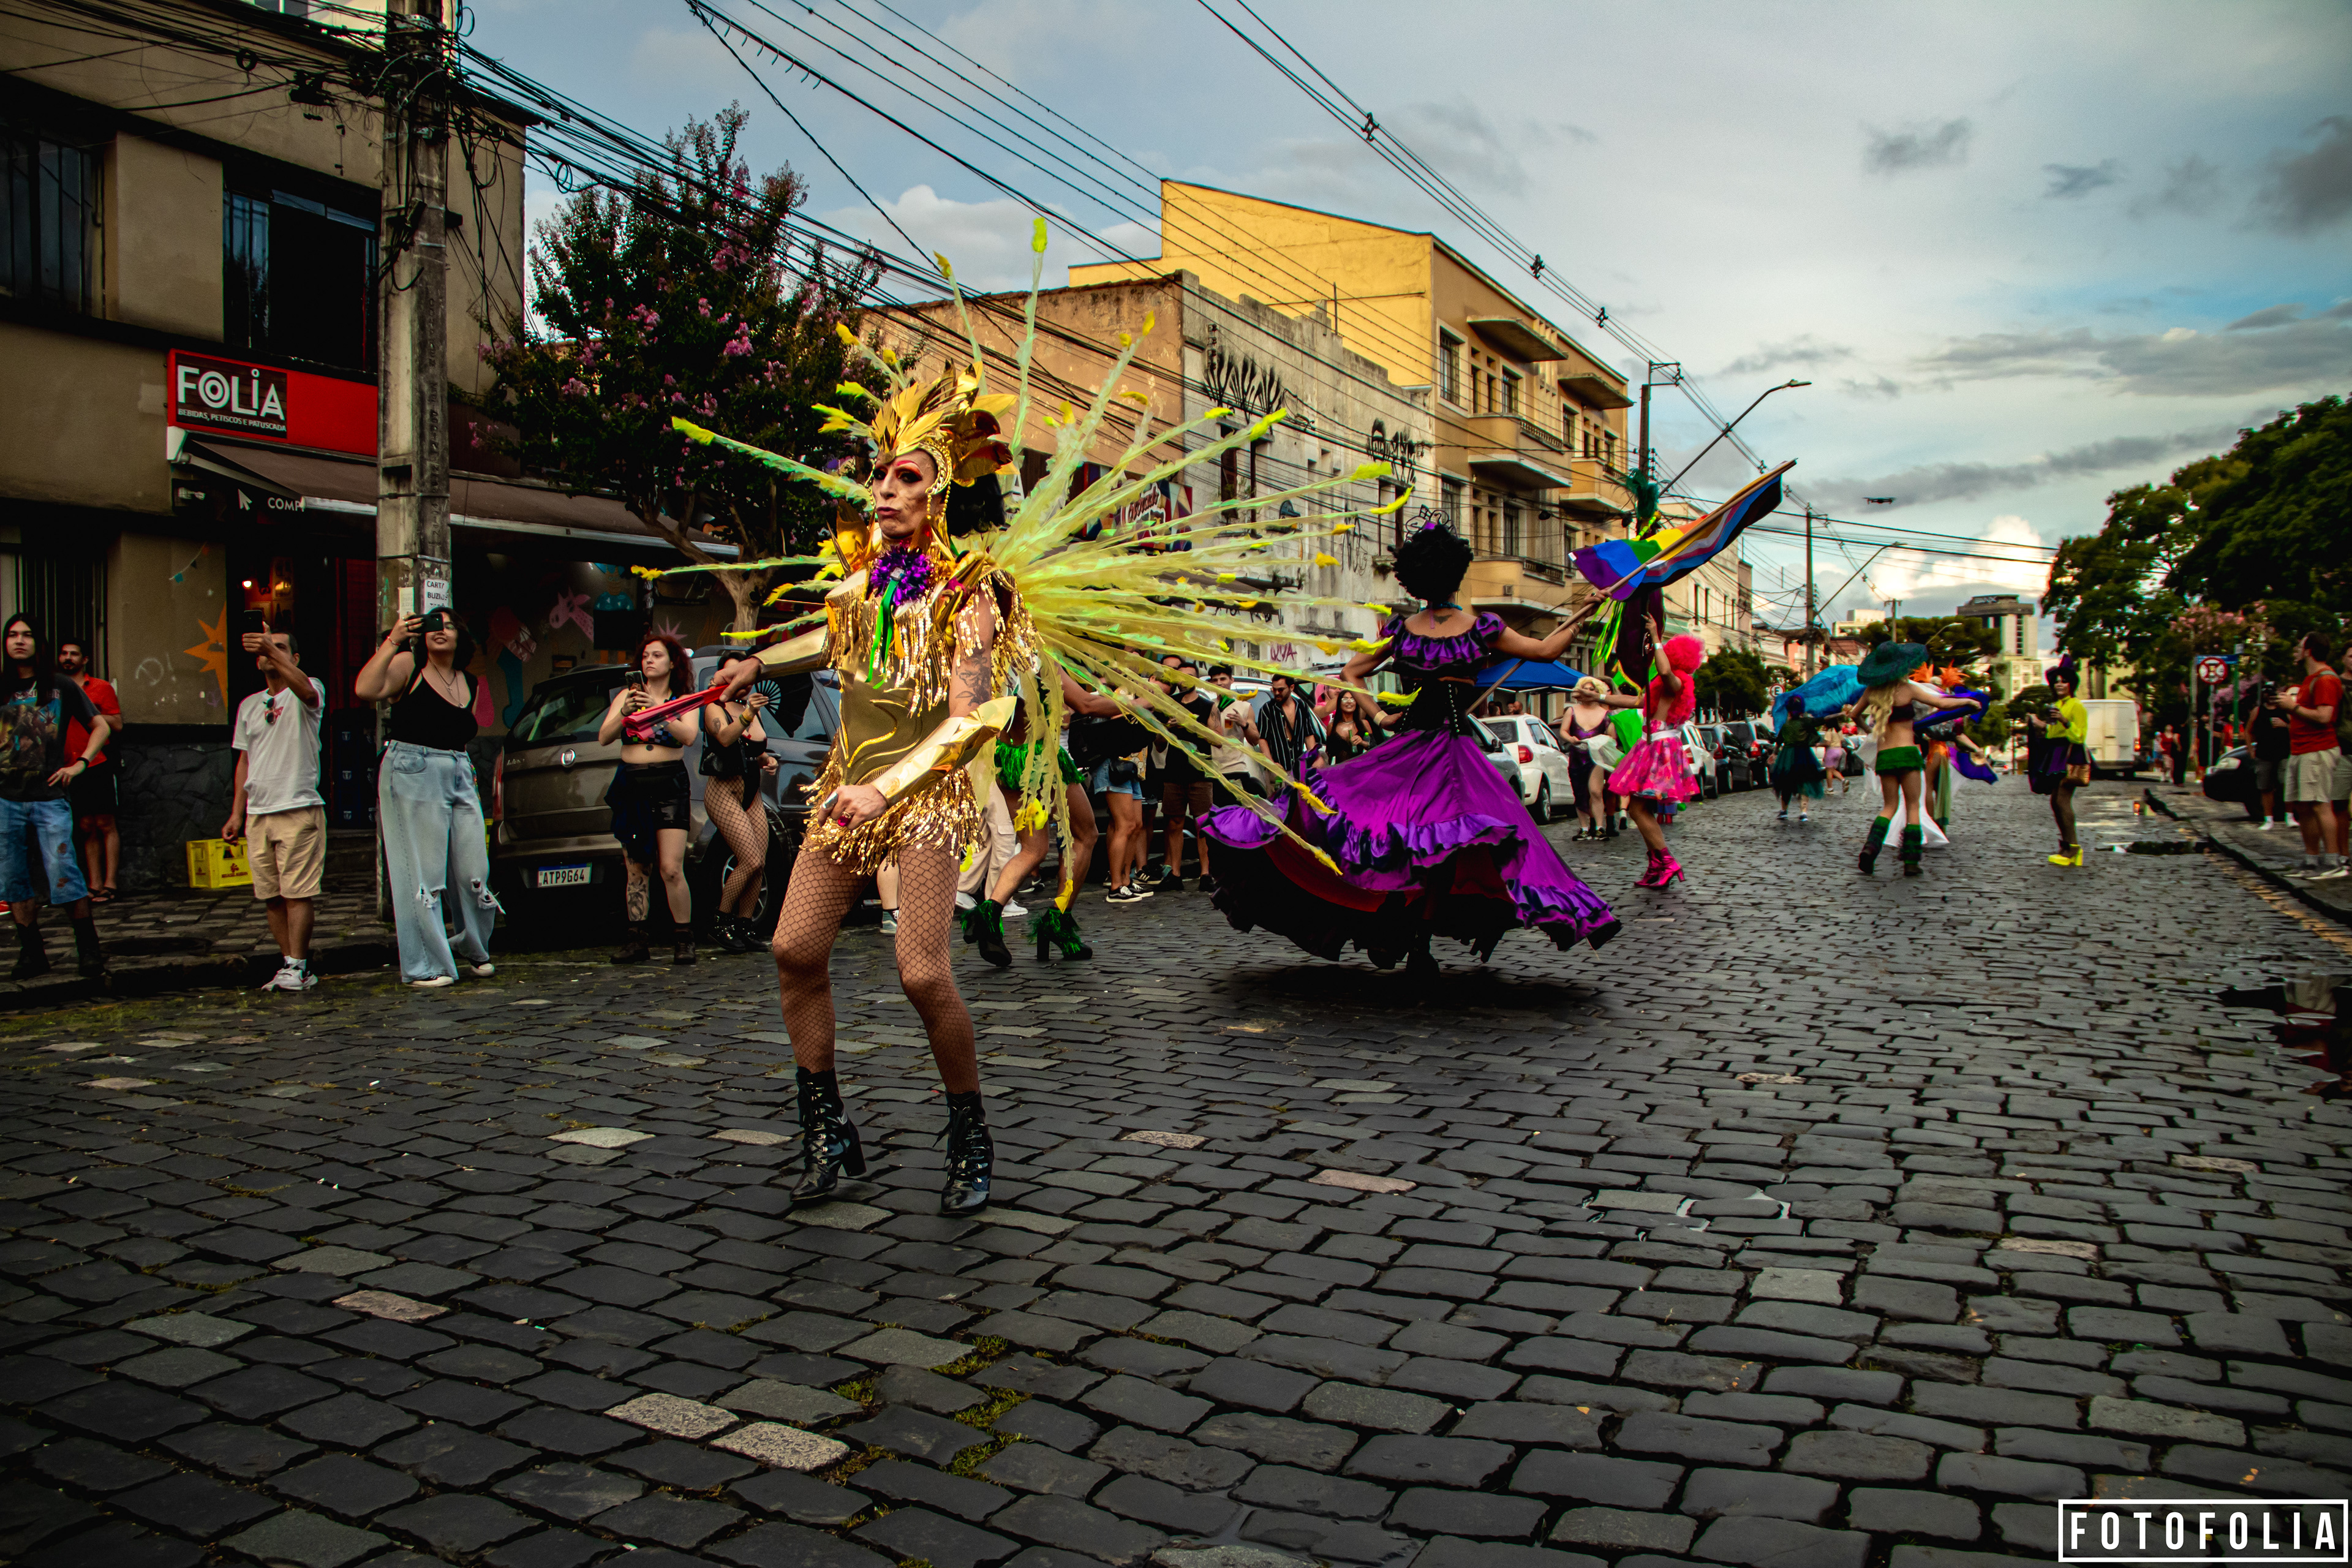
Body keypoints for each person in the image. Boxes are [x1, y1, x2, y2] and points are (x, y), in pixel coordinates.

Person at [1198, 520, 1619, 981]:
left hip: (1411, 747)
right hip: (1452, 754)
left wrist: (1380, 717)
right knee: (1441, 847)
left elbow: (1351, 673)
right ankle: (1412, 935)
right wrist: (1587, 612)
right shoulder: (1480, 627)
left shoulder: (1405, 630)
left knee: (1400, 837)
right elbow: (1546, 649)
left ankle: (1401, 926)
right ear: (1456, 574)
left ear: (1415, 578)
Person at [355, 608, 498, 987]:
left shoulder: (470, 681)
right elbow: (365, 690)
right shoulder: (409, 665)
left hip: (459, 770)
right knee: (423, 874)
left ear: (460, 637)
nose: (441, 630)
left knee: (473, 871)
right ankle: (424, 966)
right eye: (434, 623)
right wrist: (395, 640)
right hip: (413, 768)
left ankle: (472, 944)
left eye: (449, 625)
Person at [0, 616, 109, 979]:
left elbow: (100, 725)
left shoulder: (59, 685)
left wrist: (80, 764)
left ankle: (89, 951)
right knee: (13, 879)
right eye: (12, 635)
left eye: (27, 635)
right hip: (5, 800)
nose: (19, 641)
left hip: (49, 798)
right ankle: (32, 953)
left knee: (64, 873)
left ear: (38, 643)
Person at [223, 625, 325, 992]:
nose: (270, 651)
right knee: (271, 896)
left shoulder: (309, 689)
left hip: (298, 806)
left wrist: (270, 646)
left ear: (294, 658)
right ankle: (289, 964)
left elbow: (307, 692)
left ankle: (298, 965)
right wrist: (237, 813)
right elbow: (245, 762)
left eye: (280, 647)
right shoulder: (249, 705)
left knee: (297, 892)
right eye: (266, 648)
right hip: (258, 812)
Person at [597, 629, 704, 964]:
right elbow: (604, 737)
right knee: (636, 867)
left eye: (657, 656)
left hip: (670, 784)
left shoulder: (684, 698)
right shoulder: (627, 696)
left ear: (673, 663)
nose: (649, 661)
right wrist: (625, 713)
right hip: (633, 784)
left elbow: (689, 736)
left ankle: (684, 938)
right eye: (645, 656)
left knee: (671, 867)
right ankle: (637, 940)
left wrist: (657, 708)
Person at [1847, 643, 1977, 876]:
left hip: (1885, 755)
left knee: (1889, 807)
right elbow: (1942, 703)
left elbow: (1855, 715)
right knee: (1913, 806)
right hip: (1907, 752)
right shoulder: (1908, 689)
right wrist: (1967, 702)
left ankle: (1870, 849)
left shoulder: (1872, 691)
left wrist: (1870, 731)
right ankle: (1911, 861)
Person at [1605, 630, 1709, 889]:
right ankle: (1656, 863)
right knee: (1639, 809)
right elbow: (1636, 701)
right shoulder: (1662, 685)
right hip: (1652, 745)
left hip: (1660, 748)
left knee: (1638, 809)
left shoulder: (1677, 682)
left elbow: (1664, 671)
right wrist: (1598, 697)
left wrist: (1655, 636)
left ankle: (1666, 861)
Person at [701, 656, 778, 954]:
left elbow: (751, 749)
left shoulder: (750, 707)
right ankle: (720, 921)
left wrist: (766, 759)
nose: (742, 681)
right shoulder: (715, 707)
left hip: (752, 792)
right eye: (733, 674)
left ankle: (745, 926)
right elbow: (725, 739)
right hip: (724, 792)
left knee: (761, 861)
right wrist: (748, 714)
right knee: (750, 860)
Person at [2276, 633, 2348, 881]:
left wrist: (2292, 706)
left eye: (2299, 646)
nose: (2296, 650)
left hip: (2317, 750)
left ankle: (2333, 862)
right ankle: (2311, 861)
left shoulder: (2326, 679)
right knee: (2303, 806)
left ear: (2309, 650)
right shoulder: (2311, 679)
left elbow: (2324, 717)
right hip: (2301, 749)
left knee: (2320, 804)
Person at [55, 636, 121, 904]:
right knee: (85, 826)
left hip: (97, 761)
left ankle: (110, 883)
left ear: (84, 660)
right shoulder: (55, 689)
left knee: (105, 823)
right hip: (69, 764)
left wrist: (86, 711)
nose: (68, 658)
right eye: (64, 654)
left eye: (74, 654)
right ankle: (94, 883)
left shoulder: (101, 688)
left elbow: (117, 724)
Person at [2021, 657, 2092, 868]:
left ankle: (2074, 848)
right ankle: (2067, 845)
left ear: (2072, 684)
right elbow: (2053, 733)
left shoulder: (2076, 706)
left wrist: (2064, 720)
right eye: (2057, 681)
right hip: (2056, 754)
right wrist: (2039, 724)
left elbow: (2080, 735)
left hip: (2070, 754)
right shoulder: (2058, 705)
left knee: (2062, 800)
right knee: (2055, 802)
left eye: (2064, 681)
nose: (2059, 684)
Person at [1561, 676, 1638, 841]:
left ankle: (1599, 827)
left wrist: (1603, 740)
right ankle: (1584, 828)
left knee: (1596, 792)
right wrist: (1571, 739)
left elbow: (1612, 737)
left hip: (1596, 758)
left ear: (1598, 692)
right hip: (1577, 756)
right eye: (1586, 689)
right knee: (1579, 793)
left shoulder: (1606, 714)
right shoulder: (1572, 711)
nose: (1589, 692)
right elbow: (1563, 731)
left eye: (1592, 689)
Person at [1238, 673, 1324, 785]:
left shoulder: (1302, 706)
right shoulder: (1268, 709)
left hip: (1299, 767)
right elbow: (1262, 739)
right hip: (1278, 769)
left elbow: (1309, 735)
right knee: (1279, 795)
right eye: (1274, 689)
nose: (1276, 693)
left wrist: (1313, 757)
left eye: (1281, 690)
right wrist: (1271, 764)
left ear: (1291, 688)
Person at [1770, 706, 1826, 824]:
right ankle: (1803, 812)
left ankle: (1784, 811)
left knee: (1786, 782)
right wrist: (1840, 714)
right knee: (1804, 781)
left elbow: (1779, 742)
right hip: (1803, 755)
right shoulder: (1805, 722)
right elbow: (1822, 721)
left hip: (1787, 756)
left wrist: (1774, 754)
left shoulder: (1786, 725)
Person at [2248, 693, 2291, 830]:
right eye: (2267, 692)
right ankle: (2268, 819)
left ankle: (2290, 816)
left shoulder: (2285, 710)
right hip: (2264, 754)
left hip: (2284, 753)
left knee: (2287, 784)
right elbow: (2249, 731)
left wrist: (2285, 725)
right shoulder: (2258, 711)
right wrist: (2251, 750)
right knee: (2265, 787)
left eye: (2273, 692)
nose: (2271, 695)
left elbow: (2297, 728)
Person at [1324, 687, 1388, 766]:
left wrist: (1362, 742)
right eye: (1345, 699)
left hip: (1360, 769)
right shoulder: (1332, 726)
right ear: (1339, 704)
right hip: (1340, 770)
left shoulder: (1364, 724)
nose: (1349, 702)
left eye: (1353, 699)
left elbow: (1374, 748)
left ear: (1356, 704)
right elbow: (1329, 753)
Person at [2157, 723, 2185, 787]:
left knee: (2172, 766)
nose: (2169, 728)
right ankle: (2163, 774)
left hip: (2172, 752)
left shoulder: (2173, 735)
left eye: (2170, 726)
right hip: (2165, 752)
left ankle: (2171, 777)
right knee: (2167, 765)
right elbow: (2159, 742)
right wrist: (2161, 748)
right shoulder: (2162, 735)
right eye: (2168, 726)